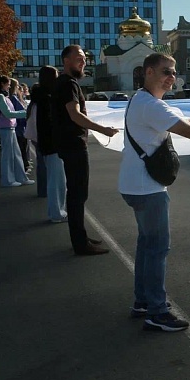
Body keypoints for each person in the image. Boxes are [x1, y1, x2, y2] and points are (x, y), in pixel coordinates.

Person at [119, 53, 190, 332]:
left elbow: (187, 121)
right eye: (165, 72)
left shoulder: (143, 100)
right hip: (148, 188)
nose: (171, 77)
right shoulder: (152, 106)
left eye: (173, 72)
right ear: (148, 72)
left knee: (147, 246)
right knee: (157, 248)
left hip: (135, 184)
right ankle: (157, 311)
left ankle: (142, 302)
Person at [52, 44, 119, 256]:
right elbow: (75, 115)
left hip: (68, 144)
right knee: (78, 194)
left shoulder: (63, 83)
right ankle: (80, 244)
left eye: (84, 58)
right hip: (73, 145)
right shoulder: (68, 84)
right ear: (66, 60)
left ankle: (80, 237)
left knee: (77, 194)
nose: (83, 61)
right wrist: (103, 130)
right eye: (78, 57)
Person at [33, 66, 67, 223]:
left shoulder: (42, 96)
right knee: (56, 180)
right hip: (52, 144)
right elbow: (52, 122)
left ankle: (57, 210)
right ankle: (56, 213)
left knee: (57, 179)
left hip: (48, 143)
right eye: (56, 75)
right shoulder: (47, 98)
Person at [0, 75, 34, 187]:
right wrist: (25, 113)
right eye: (7, 84)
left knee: (16, 154)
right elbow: (8, 113)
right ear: (2, 84)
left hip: (10, 128)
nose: (9, 86)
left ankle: (21, 177)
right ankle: (8, 180)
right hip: (5, 129)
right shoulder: (0, 97)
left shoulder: (4, 97)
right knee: (8, 156)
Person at [9, 78, 31, 173]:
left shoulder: (12, 97)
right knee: (22, 148)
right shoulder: (14, 98)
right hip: (20, 128)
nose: (19, 87)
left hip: (18, 127)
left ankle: (23, 166)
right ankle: (23, 168)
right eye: (17, 86)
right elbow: (21, 111)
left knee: (21, 148)